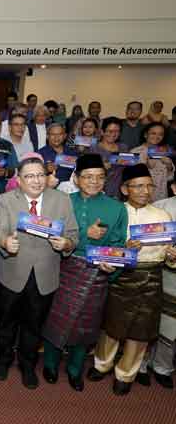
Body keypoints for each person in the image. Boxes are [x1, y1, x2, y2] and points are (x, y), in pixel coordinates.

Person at [87, 163, 176, 395]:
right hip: (121, 275)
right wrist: (123, 249)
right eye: (138, 186)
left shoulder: (161, 215)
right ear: (126, 189)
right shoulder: (116, 212)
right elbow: (102, 249)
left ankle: (126, 373)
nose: (145, 191)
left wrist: (172, 255)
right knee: (111, 326)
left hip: (151, 276)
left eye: (149, 186)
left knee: (141, 330)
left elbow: (168, 253)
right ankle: (102, 364)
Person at [41, 154, 128, 392]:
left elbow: (119, 243)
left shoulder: (116, 207)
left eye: (99, 177)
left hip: (97, 273)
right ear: (76, 179)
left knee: (86, 325)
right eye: (88, 177)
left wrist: (113, 263)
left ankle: (74, 369)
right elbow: (51, 235)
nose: (94, 182)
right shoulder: (62, 201)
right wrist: (83, 234)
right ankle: (49, 364)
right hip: (64, 267)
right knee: (55, 319)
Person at [0, 155, 79, 389]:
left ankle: (27, 365)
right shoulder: (6, 200)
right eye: (29, 176)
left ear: (47, 177)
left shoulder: (62, 200)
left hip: (45, 274)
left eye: (40, 175)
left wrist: (66, 244)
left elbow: (73, 234)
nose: (36, 180)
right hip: (13, 272)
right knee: (6, 323)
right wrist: (5, 243)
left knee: (34, 325)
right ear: (19, 180)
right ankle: (3, 359)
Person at [138, 179, 176, 389]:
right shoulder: (161, 208)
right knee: (148, 321)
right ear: (174, 187)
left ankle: (162, 367)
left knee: (172, 328)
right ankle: (141, 364)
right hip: (158, 274)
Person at [131, 122, 174, 202]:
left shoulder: (165, 151)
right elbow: (130, 178)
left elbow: (169, 178)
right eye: (153, 133)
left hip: (161, 197)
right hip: (142, 197)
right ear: (145, 135)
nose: (157, 137)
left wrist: (169, 166)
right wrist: (145, 166)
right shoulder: (136, 152)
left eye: (160, 134)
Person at [91, 116, 129, 200]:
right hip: (99, 190)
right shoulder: (94, 149)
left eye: (117, 131)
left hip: (120, 191)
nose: (113, 134)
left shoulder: (123, 148)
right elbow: (87, 171)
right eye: (110, 131)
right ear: (102, 132)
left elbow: (128, 168)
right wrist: (101, 166)